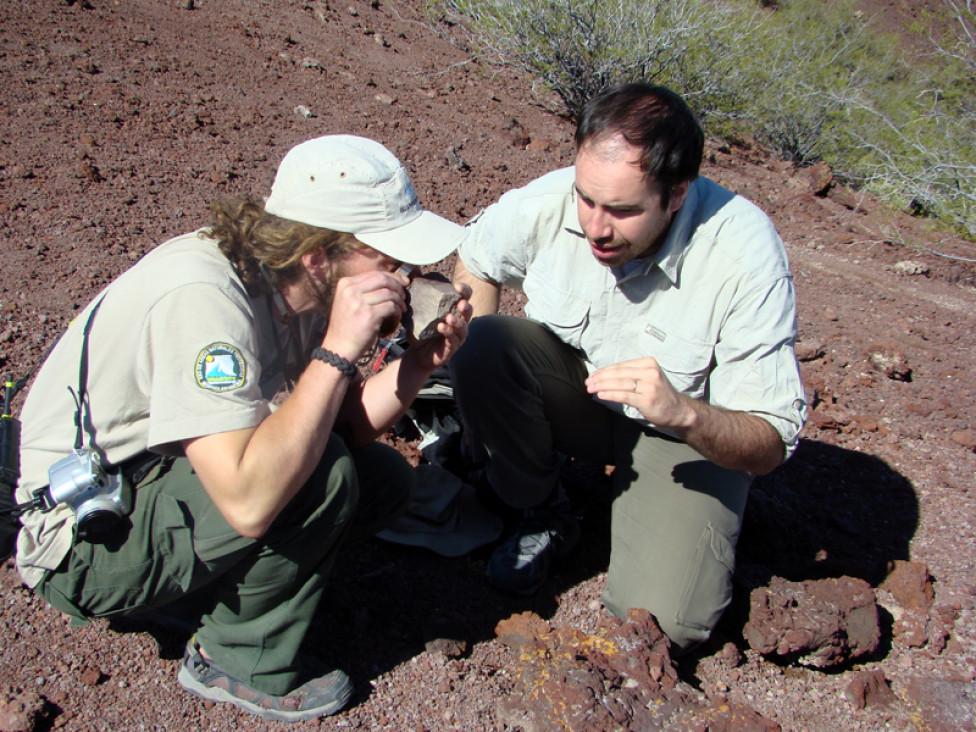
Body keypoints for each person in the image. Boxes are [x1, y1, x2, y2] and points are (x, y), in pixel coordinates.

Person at [13, 135, 472, 721]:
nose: (403, 279)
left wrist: (420, 363)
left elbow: (343, 426)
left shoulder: (297, 289)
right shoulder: (206, 296)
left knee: (378, 478)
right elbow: (251, 501)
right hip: (83, 543)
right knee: (322, 477)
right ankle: (234, 660)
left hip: (163, 484)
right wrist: (338, 350)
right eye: (389, 264)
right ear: (317, 258)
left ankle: (211, 595)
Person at [450, 83, 806, 653]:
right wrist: (474, 408)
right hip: (583, 399)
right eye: (587, 199)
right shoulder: (555, 201)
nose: (595, 226)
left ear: (676, 194)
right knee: (483, 342)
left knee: (665, 623)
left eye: (622, 210)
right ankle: (539, 506)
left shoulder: (743, 255)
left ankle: (658, 520)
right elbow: (477, 260)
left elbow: (769, 443)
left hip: (682, 436)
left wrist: (685, 414)